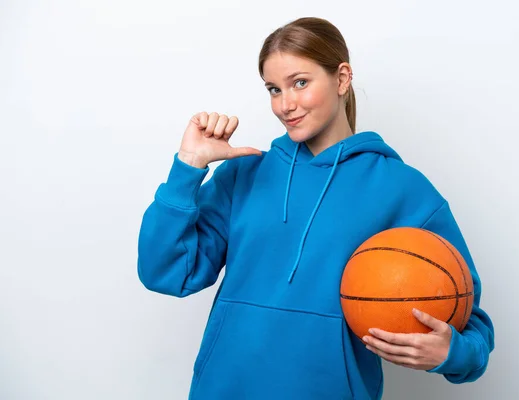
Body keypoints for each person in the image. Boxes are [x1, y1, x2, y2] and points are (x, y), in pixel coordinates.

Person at [137, 16, 495, 400]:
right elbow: (167, 272)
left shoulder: (402, 189)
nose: (285, 105)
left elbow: (470, 322)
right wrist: (187, 167)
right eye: (274, 89)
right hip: (223, 389)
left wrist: (452, 352)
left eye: (300, 83)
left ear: (342, 79)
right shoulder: (244, 173)